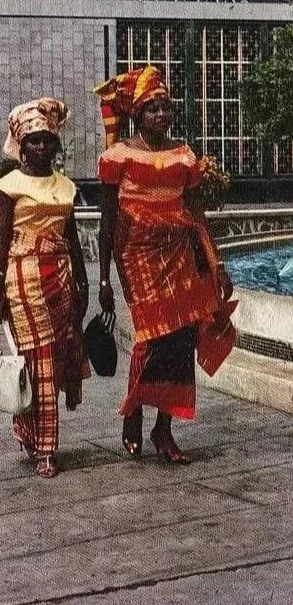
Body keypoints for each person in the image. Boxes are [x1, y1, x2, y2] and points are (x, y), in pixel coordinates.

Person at [95, 67, 237, 464]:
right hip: (137, 257)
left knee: (179, 342)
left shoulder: (183, 156)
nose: (160, 115)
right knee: (150, 338)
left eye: (165, 109)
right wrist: (104, 278)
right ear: (138, 115)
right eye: (152, 109)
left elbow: (197, 214)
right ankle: (134, 412)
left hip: (180, 256)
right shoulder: (117, 156)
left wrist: (216, 263)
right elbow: (107, 222)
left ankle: (164, 428)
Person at [0, 98, 90, 478]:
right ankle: (46, 449)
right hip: (23, 276)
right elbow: (1, 240)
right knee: (38, 361)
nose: (41, 147)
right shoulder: (7, 186)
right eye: (33, 141)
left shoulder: (65, 186)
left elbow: (73, 237)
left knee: (56, 359)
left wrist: (83, 283)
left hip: (60, 277)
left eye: (47, 140)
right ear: (21, 146)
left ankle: (30, 431)